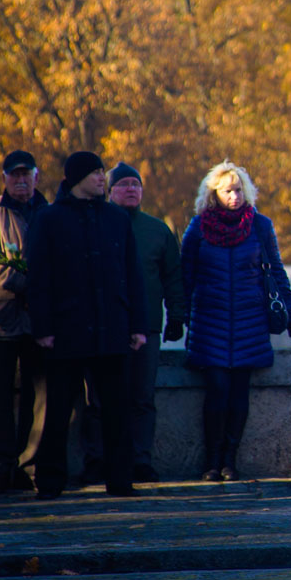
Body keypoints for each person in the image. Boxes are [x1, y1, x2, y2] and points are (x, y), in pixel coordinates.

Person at [24, 151, 147, 499]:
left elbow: (132, 276)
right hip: (66, 330)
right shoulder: (50, 219)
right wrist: (43, 327)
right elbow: (40, 278)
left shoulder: (116, 219)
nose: (100, 179)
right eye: (95, 173)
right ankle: (49, 481)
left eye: (101, 172)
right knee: (57, 410)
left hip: (111, 330)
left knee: (117, 411)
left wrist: (137, 325)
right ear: (76, 178)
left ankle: (120, 482)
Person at [181, 161, 291, 482]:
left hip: (250, 320)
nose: (234, 196)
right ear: (213, 194)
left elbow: (276, 271)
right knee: (217, 390)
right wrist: (178, 318)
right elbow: (185, 276)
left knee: (238, 394)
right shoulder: (198, 227)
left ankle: (229, 461)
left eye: (238, 190)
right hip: (210, 320)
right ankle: (212, 460)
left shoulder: (260, 225)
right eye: (227, 191)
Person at [80, 162, 186, 484]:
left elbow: (173, 277)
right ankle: (97, 461)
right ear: (109, 190)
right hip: (101, 327)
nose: (131, 189)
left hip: (148, 326)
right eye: (123, 184)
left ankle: (141, 460)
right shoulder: (94, 222)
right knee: (96, 400)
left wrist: (177, 315)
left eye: (136, 184)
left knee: (142, 398)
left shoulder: (157, 231)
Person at [0, 150, 48, 491]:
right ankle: (3, 467)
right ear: (5, 179)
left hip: (41, 323)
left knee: (38, 397)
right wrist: (21, 280)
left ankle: (30, 465)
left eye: (25, 174)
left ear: (36, 176)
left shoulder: (50, 214)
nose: (20, 181)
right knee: (2, 398)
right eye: (13, 175)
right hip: (3, 322)